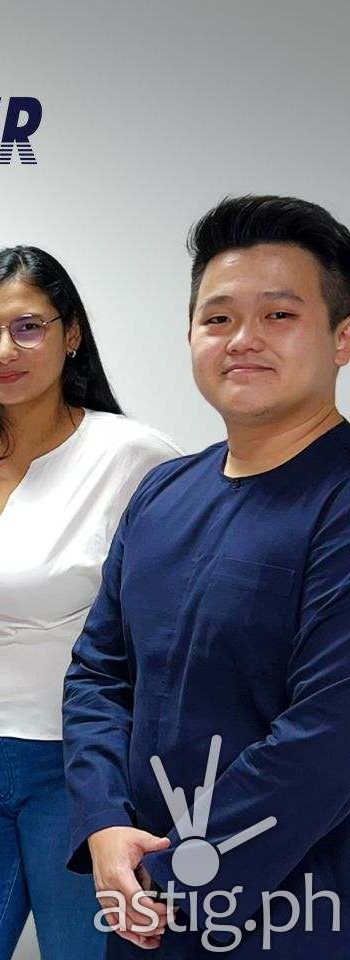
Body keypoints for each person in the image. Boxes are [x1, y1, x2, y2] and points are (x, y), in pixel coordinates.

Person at [63, 195, 350, 958]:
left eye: (279, 315)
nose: (243, 339)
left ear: (343, 337)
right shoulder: (163, 492)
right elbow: (98, 672)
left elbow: (328, 738)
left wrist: (180, 874)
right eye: (218, 318)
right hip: (141, 902)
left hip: (302, 906)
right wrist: (103, 823)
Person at [0, 246, 181, 960]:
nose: (4, 351)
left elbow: (166, 637)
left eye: (28, 327)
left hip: (80, 772)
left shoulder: (135, 458)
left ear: (71, 333)